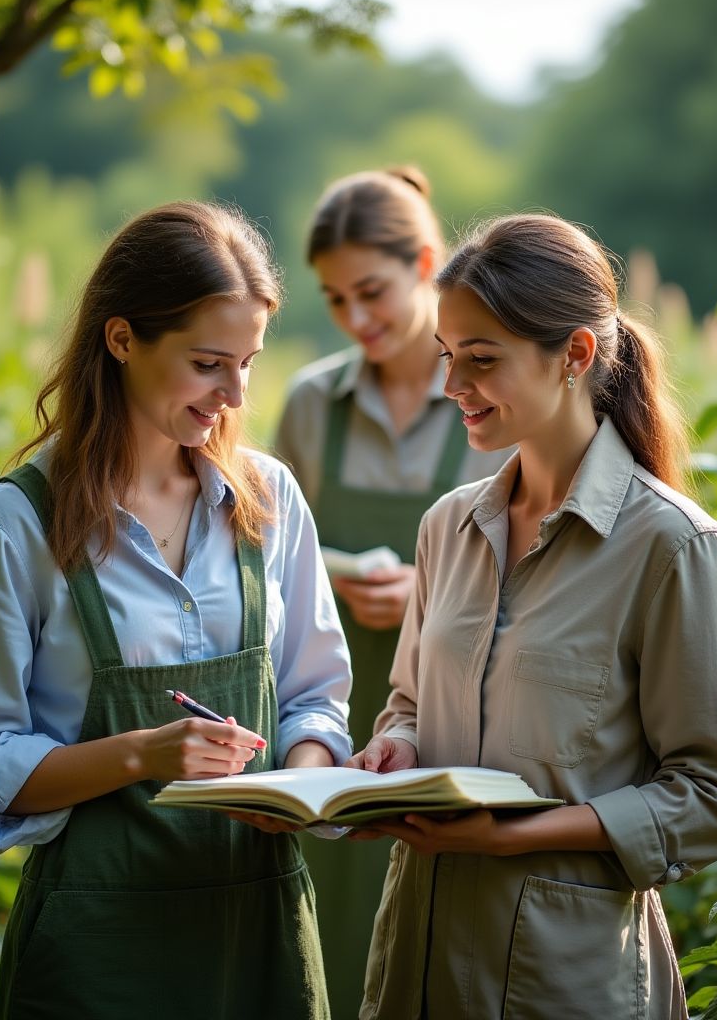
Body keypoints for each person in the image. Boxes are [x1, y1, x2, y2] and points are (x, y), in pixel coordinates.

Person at [0, 202, 352, 1020]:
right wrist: (140, 754)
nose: (234, 394)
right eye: (207, 364)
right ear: (121, 340)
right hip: (97, 946)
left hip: (256, 928)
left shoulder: (268, 502)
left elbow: (314, 696)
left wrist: (296, 785)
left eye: (248, 363)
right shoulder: (13, 528)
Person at [349, 213, 717, 1019]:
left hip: (563, 981)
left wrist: (513, 836)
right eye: (447, 356)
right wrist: (393, 744)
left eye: (482, 359)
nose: (451, 386)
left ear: (574, 355)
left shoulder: (672, 548)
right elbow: (409, 703)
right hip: (414, 967)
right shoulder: (447, 527)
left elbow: (712, 797)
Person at [273, 167, 510, 1017]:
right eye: (335, 301)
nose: (355, 318)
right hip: (329, 719)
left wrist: (430, 588)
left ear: (425, 264)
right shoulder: (311, 403)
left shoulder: (489, 399)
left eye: (369, 291)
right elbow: (265, 552)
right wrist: (340, 574)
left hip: (446, 718)